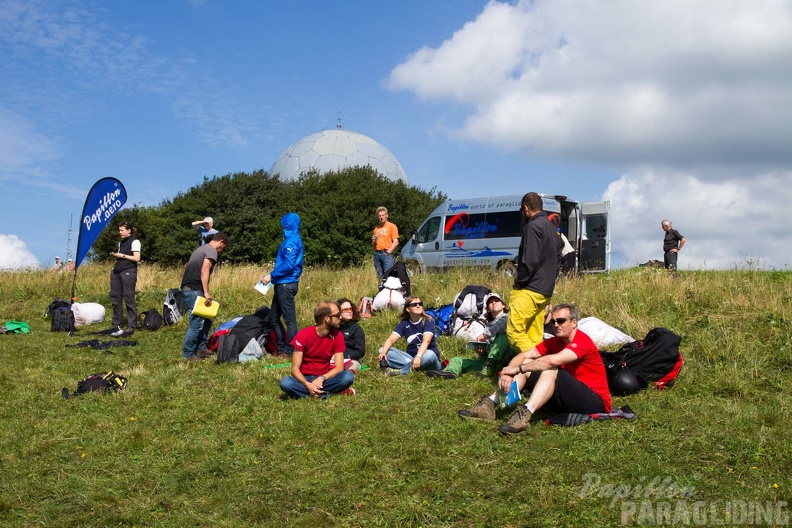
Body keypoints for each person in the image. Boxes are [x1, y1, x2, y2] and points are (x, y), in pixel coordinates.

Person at [458, 304, 612, 435]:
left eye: (561, 321)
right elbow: (525, 355)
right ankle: (491, 404)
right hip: (569, 396)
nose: (556, 325)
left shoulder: (582, 341)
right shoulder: (555, 341)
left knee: (549, 368)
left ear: (574, 322)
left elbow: (552, 360)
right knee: (528, 362)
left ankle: (525, 414)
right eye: (553, 322)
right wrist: (509, 371)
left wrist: (518, 369)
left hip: (595, 401)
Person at [506, 192, 561, 356]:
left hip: (529, 289)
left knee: (514, 332)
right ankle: (535, 376)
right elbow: (558, 260)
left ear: (525, 208)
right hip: (545, 290)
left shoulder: (532, 227)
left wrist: (520, 282)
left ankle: (541, 363)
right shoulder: (552, 228)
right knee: (534, 335)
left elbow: (530, 260)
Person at [425, 292, 513, 379]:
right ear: (488, 309)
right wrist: (482, 352)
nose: (493, 303)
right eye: (490, 302)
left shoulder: (509, 318)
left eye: (496, 301)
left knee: (502, 335)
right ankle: (449, 372)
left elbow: (504, 324)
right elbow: (490, 347)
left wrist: (485, 335)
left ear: (503, 305)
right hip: (490, 364)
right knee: (457, 360)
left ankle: (490, 365)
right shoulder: (487, 325)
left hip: (509, 357)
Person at [279, 301, 355, 398]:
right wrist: (307, 384)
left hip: (325, 378)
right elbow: (294, 369)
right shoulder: (304, 335)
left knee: (348, 376)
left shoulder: (337, 336)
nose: (340, 317)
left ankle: (310, 393)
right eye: (337, 315)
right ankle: (325, 393)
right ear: (327, 319)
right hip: (304, 378)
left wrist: (322, 378)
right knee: (285, 383)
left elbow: (339, 367)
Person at [260, 212, 303, 357]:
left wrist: (271, 275)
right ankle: (280, 347)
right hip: (282, 283)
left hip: (286, 284)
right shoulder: (290, 239)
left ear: (288, 225)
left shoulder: (292, 241)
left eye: (284, 224)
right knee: (273, 318)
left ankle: (290, 350)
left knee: (290, 320)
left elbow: (289, 264)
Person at [181, 232, 229, 360]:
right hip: (195, 289)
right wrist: (206, 292)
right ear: (221, 242)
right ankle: (188, 353)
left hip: (190, 288)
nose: (222, 251)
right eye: (224, 248)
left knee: (207, 319)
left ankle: (201, 349)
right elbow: (205, 270)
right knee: (196, 323)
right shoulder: (211, 251)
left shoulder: (201, 248)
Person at [377, 296, 443, 376]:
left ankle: (400, 372)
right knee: (382, 350)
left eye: (420, 304)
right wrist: (383, 353)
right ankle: (412, 368)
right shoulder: (404, 323)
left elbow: (426, 341)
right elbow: (391, 339)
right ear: (408, 309)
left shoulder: (428, 321)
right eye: (414, 304)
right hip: (411, 358)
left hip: (429, 360)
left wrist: (418, 357)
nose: (418, 306)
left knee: (430, 354)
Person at [109, 222, 141, 336]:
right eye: (119, 230)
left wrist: (121, 255)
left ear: (129, 230)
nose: (120, 232)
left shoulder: (135, 242)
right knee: (115, 297)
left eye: (122, 230)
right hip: (117, 271)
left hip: (128, 271)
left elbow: (137, 258)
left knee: (128, 297)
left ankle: (131, 325)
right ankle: (116, 323)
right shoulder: (121, 242)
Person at [336, 298, 366, 373]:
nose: (349, 311)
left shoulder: (357, 329)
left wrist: (340, 355)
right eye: (346, 310)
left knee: (346, 371)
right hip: (332, 358)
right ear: (339, 312)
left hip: (352, 359)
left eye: (350, 309)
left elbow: (360, 351)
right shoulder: (333, 327)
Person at [371, 206, 399, 280]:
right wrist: (373, 241)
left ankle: (389, 291)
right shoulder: (376, 229)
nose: (381, 217)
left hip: (386, 253)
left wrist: (389, 252)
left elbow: (396, 242)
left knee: (388, 275)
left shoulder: (392, 226)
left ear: (387, 215)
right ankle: (381, 290)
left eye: (383, 215)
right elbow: (374, 244)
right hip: (377, 254)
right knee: (379, 275)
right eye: (380, 215)